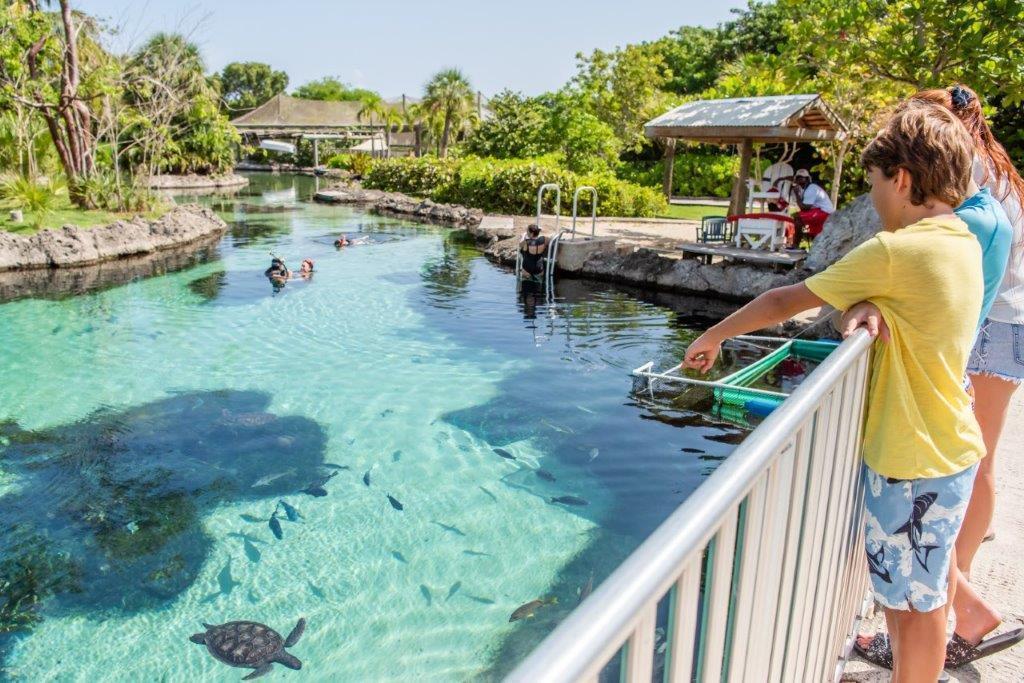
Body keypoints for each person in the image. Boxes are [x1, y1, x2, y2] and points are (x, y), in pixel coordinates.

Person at [682, 102, 984, 681]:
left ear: (901, 178)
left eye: (874, 184)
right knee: (915, 597)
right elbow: (916, 308)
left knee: (913, 608)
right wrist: (867, 302)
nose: (873, 200)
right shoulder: (962, 240)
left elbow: (785, 301)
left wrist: (716, 335)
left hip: (910, 458)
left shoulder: (896, 251)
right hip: (947, 445)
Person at [843, 84, 1024, 670]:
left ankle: (955, 609)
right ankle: (959, 605)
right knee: (964, 475)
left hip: (989, 334)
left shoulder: (969, 208)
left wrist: (873, 300)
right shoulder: (986, 184)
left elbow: (934, 291)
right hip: (989, 336)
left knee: (959, 482)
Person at [790, 168, 835, 247]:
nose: (799, 179)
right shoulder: (804, 189)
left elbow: (804, 208)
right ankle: (803, 237)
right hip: (818, 210)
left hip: (825, 211)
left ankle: (796, 244)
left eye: (802, 177)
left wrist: (797, 194)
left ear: (807, 179)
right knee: (797, 217)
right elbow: (803, 208)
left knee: (798, 218)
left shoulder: (811, 188)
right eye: (798, 177)